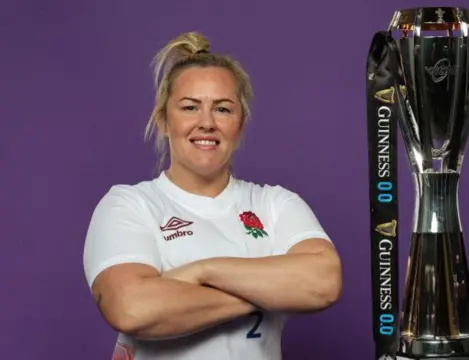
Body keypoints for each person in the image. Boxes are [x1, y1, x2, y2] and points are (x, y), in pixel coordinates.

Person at [82, 31, 342, 360]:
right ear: (164, 120)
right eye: (190, 107)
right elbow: (131, 308)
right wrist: (271, 290)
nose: (206, 123)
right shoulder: (129, 205)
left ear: (241, 124)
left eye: (222, 109)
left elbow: (323, 282)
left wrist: (202, 271)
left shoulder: (275, 205)